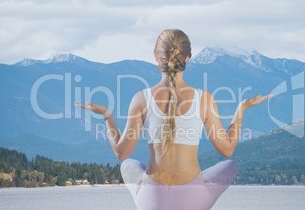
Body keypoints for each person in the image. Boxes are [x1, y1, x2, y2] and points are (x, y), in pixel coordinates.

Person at [75, 29, 274, 210]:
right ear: (187, 57)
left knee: (128, 165)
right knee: (229, 166)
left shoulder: (141, 99)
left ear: (156, 57)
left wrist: (107, 115)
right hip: (193, 200)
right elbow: (227, 149)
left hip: (151, 200)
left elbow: (121, 152)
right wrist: (241, 109)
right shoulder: (204, 99)